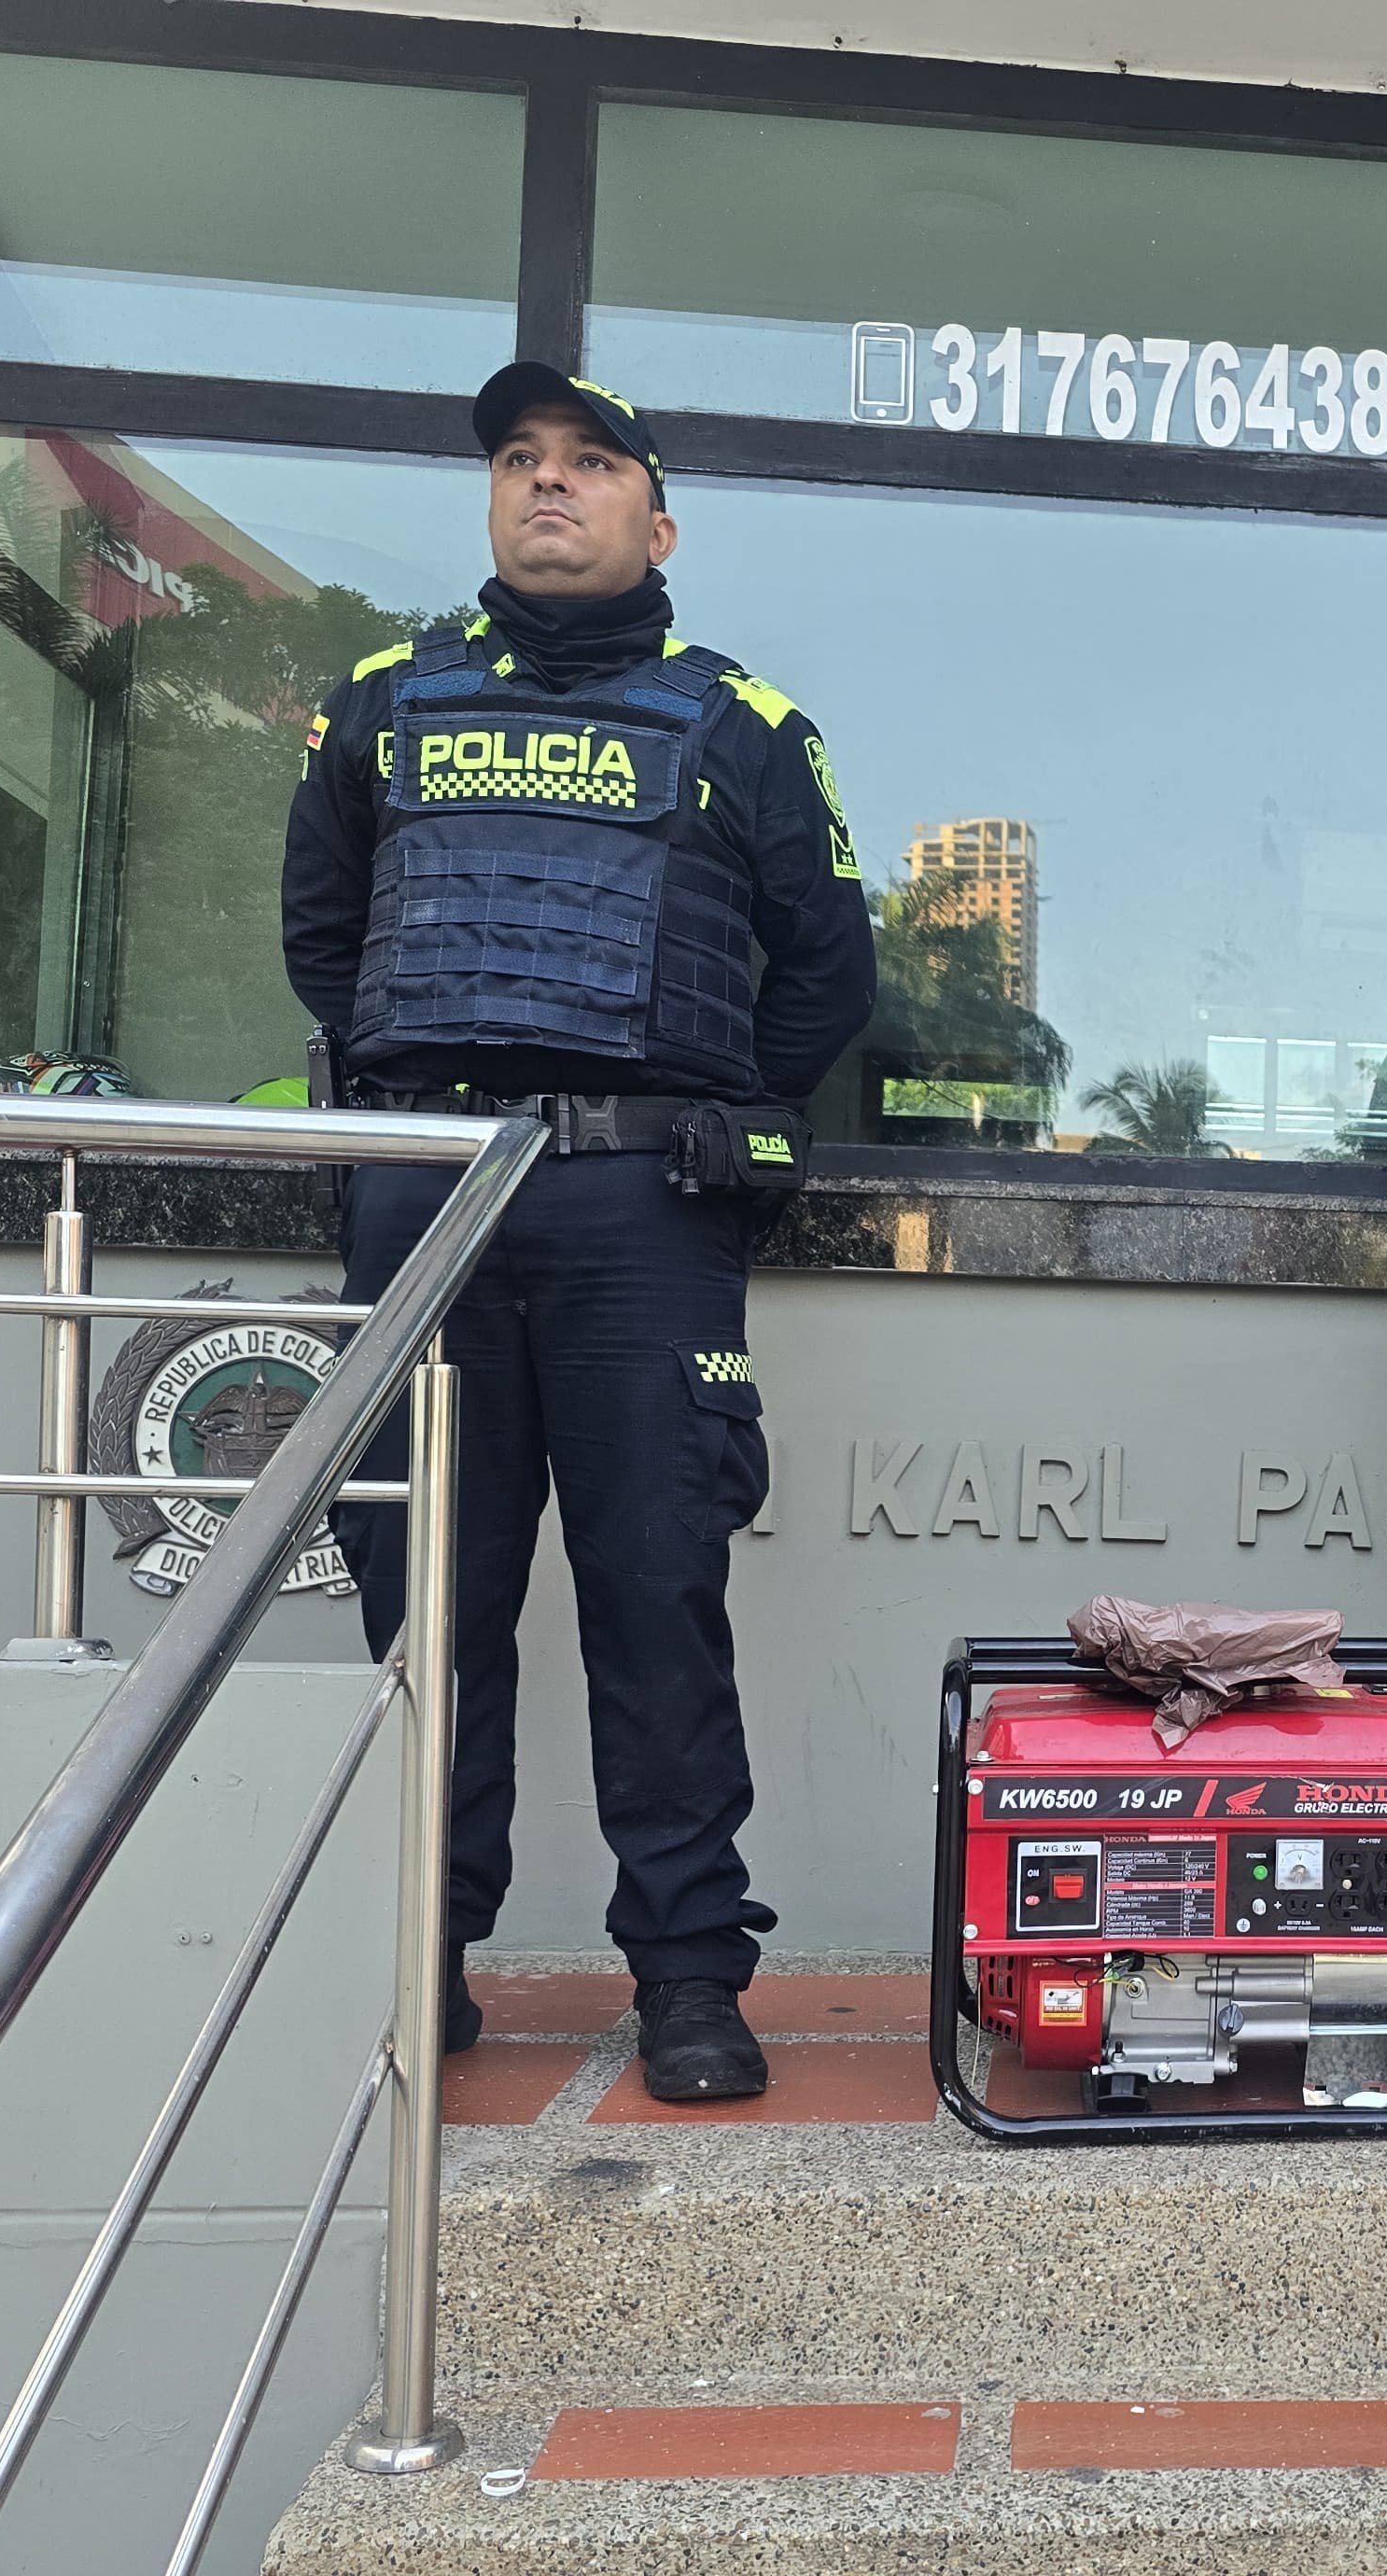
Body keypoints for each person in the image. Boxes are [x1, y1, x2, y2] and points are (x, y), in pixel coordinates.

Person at [283, 364, 875, 2100]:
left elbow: (827, 972)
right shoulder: (379, 706)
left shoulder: (746, 727)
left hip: (640, 1205)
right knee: (427, 1601)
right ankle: (424, 1953)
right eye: (522, 462)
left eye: (592, 463)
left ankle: (689, 1976)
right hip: (430, 1191)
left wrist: (701, 1110)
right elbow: (323, 936)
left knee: (655, 1594)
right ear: (491, 504)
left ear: (656, 524)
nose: (550, 484)